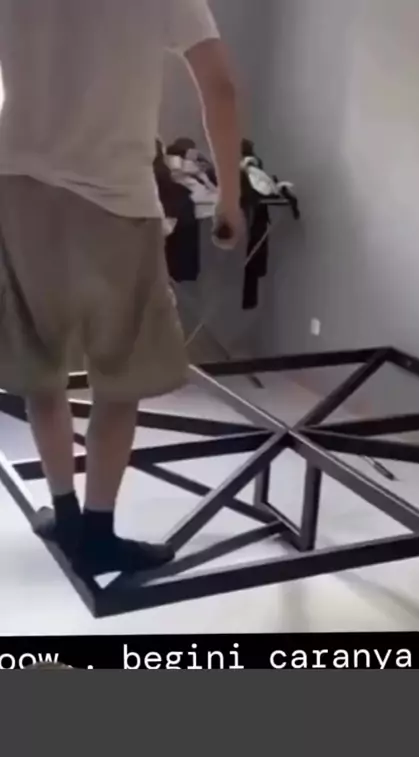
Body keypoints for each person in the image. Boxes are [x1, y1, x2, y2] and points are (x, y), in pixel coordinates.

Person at [0, 0, 243, 575]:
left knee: (39, 363)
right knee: (120, 376)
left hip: (15, 188)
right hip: (113, 197)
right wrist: (230, 198)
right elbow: (221, 87)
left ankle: (64, 514)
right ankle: (97, 533)